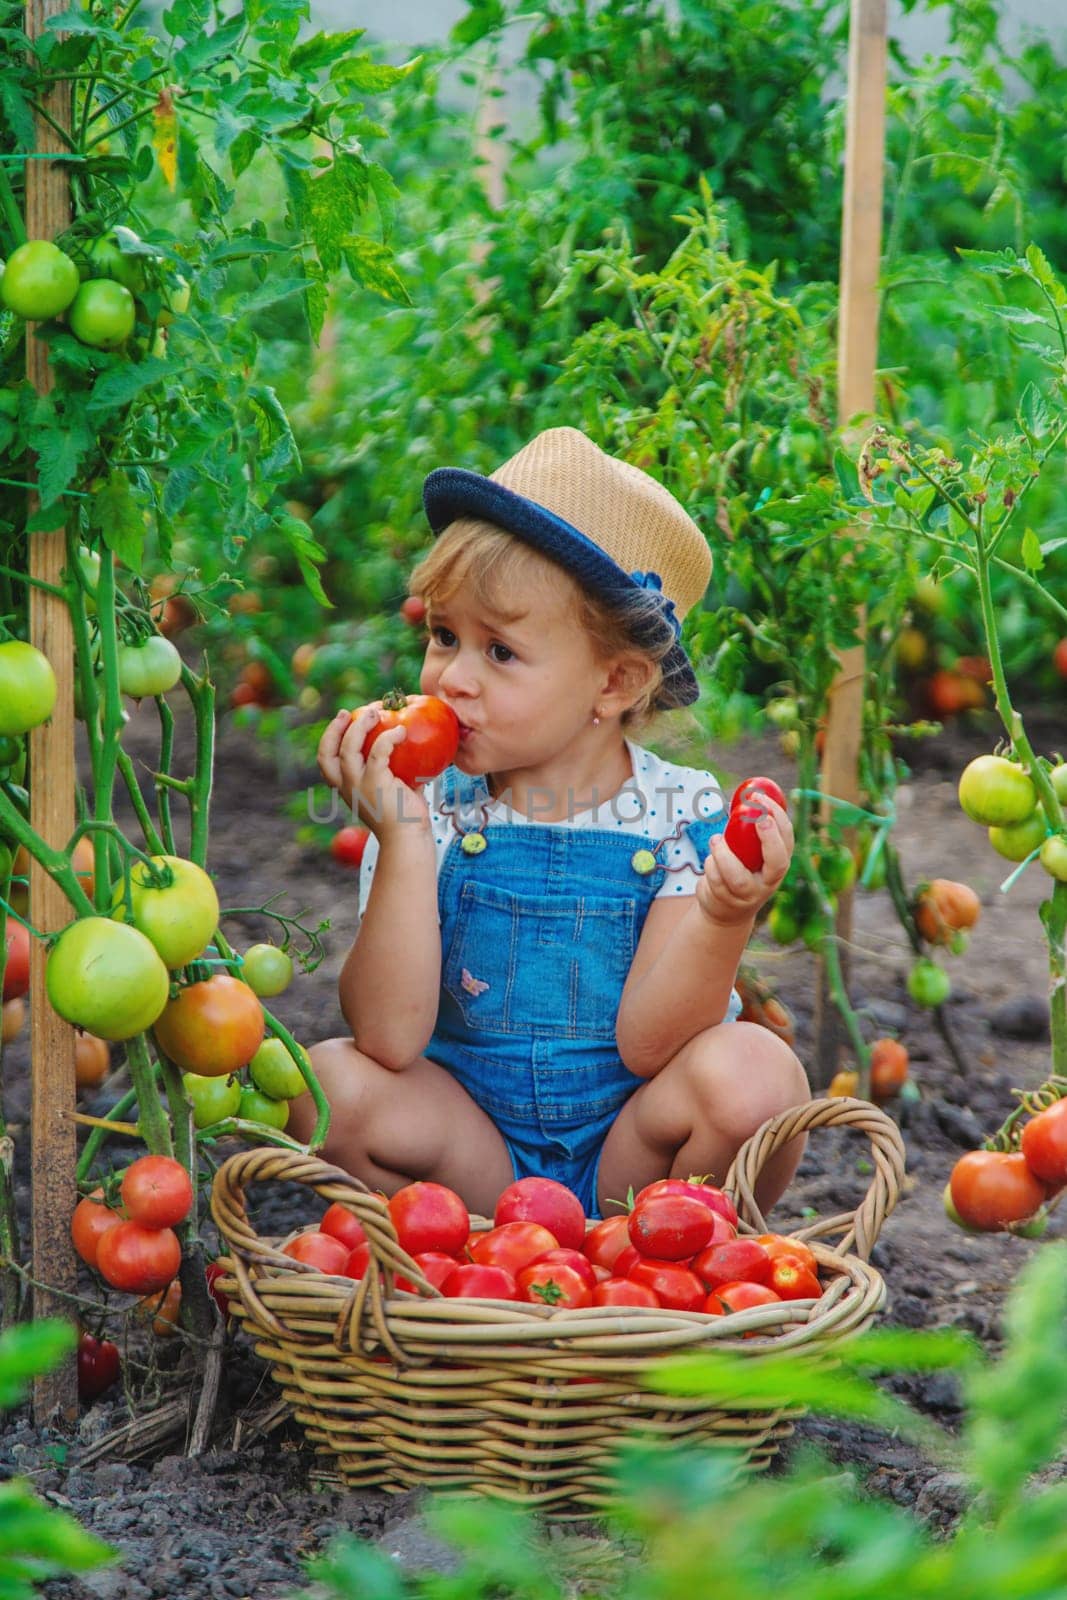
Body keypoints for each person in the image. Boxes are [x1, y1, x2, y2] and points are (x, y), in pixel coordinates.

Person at [290, 427, 809, 1218]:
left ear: (614, 682)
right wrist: (398, 840)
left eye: (498, 652)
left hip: (631, 1165)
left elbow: (647, 1045)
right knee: (324, 1087)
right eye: (442, 635)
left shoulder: (680, 815)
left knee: (757, 1076)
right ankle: (464, 1258)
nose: (450, 678)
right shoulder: (424, 805)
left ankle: (663, 1256)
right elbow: (389, 1041)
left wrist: (724, 911)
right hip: (473, 1157)